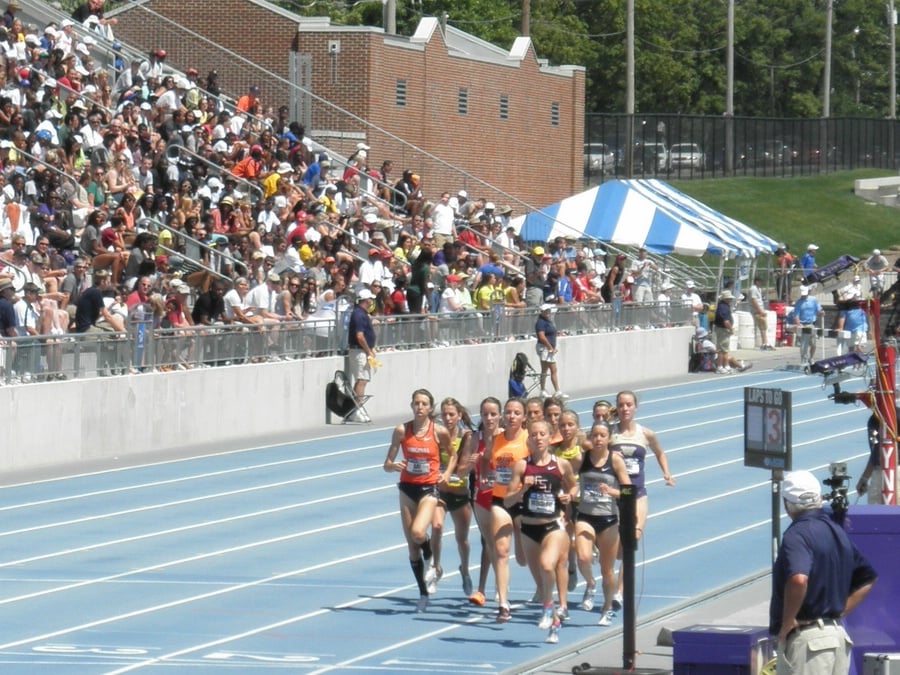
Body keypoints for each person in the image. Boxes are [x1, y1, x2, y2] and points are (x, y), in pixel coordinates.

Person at [769, 470, 877, 674]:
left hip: (809, 643)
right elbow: (867, 579)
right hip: (837, 637)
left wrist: (787, 621)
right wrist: (839, 612)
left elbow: (799, 579)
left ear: (787, 504)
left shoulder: (797, 535)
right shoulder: (836, 531)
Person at [505, 418, 578, 644]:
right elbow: (507, 502)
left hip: (553, 526)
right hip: (528, 527)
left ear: (549, 437)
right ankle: (554, 621)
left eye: (542, 434)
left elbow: (573, 484)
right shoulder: (521, 466)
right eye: (534, 435)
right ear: (529, 439)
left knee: (548, 565)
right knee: (541, 580)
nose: (538, 438)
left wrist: (570, 496)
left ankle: (548, 608)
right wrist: (523, 488)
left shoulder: (560, 465)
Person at [383, 389, 454, 613]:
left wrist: (447, 473)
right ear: (412, 406)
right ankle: (423, 593)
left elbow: (452, 454)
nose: (420, 407)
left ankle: (432, 558)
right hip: (406, 488)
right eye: (416, 403)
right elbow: (387, 462)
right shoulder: (402, 430)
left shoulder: (439, 431)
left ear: (431, 408)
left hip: (428, 488)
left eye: (424, 403)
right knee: (413, 548)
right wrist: (392, 466)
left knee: (418, 532)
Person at [610, 390, 675, 610]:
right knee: (616, 550)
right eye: (621, 405)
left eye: (629, 404)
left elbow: (660, 452)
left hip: (637, 495)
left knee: (631, 542)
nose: (625, 408)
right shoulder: (609, 434)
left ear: (635, 407)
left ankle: (619, 593)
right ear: (616, 408)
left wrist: (667, 473)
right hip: (615, 496)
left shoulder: (646, 433)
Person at [575, 421, 630, 627]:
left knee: (607, 570)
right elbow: (567, 475)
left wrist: (612, 491)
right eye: (595, 435)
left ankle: (607, 607)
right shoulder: (583, 459)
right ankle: (590, 583)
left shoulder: (615, 461)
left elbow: (629, 491)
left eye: (602, 435)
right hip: (585, 517)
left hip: (608, 520)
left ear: (609, 439)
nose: (598, 439)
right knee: (582, 556)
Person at [485, 397, 529, 623]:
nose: (512, 416)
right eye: (509, 412)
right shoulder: (495, 439)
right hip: (500, 500)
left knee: (523, 558)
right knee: (501, 552)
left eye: (516, 413)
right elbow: (488, 461)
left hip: (523, 501)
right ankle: (504, 603)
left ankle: (543, 592)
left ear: (524, 417)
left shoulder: (529, 439)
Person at [431, 397, 475, 598]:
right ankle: (436, 567)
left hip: (460, 494)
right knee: (437, 527)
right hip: (440, 492)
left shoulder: (466, 437)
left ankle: (465, 570)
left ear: (459, 416)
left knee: (462, 539)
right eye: (444, 414)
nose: (447, 418)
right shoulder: (437, 436)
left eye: (451, 414)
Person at [464, 396, 503, 607]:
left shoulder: (506, 437)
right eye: (485, 414)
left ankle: (499, 585)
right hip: (481, 495)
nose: (489, 418)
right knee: (488, 541)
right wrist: (470, 464)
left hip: (503, 495)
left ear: (500, 416)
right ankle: (482, 590)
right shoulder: (474, 438)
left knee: (499, 542)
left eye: (493, 414)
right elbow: (463, 469)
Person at [346, 288, 377, 422]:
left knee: (361, 380)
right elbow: (360, 336)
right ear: (366, 300)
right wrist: (368, 350)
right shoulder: (358, 314)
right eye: (370, 299)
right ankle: (355, 411)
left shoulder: (361, 313)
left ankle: (354, 409)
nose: (371, 302)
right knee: (362, 380)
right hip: (359, 351)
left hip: (362, 350)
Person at [713, 290, 751, 374]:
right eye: (729, 298)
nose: (730, 300)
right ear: (726, 299)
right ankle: (720, 366)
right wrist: (731, 329)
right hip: (723, 330)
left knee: (724, 349)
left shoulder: (723, 306)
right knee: (722, 350)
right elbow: (726, 321)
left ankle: (726, 365)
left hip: (722, 329)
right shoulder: (723, 307)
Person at [536, 302, 567, 399]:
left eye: (548, 311)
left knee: (544, 370)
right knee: (553, 369)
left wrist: (552, 347)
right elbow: (542, 337)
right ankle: (557, 391)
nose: (548, 313)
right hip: (544, 348)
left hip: (548, 348)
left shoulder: (548, 321)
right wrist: (550, 347)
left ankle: (542, 390)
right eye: (546, 311)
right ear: (542, 312)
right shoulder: (541, 322)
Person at [792, 285, 824, 366]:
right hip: (803, 324)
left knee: (813, 343)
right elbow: (796, 315)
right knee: (804, 344)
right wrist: (798, 324)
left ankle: (811, 358)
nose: (804, 296)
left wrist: (821, 312)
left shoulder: (813, 300)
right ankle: (804, 359)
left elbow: (819, 309)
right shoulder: (799, 303)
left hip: (811, 324)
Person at [750, 276, 774, 350]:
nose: (761, 283)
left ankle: (765, 342)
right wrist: (760, 311)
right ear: (757, 282)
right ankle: (764, 343)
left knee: (763, 327)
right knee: (762, 327)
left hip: (760, 309)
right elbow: (753, 300)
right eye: (760, 282)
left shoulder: (758, 289)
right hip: (757, 311)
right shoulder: (753, 289)